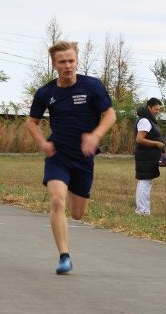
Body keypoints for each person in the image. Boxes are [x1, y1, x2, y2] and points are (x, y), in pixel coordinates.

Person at [26, 41, 116, 275]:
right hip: (58, 155)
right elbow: (31, 122)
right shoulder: (46, 92)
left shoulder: (92, 86)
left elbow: (110, 114)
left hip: (84, 158)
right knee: (57, 201)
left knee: (77, 213)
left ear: (77, 61)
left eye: (71, 61)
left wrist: (95, 136)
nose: (67, 66)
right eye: (62, 62)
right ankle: (64, 256)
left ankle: (67, 244)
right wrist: (42, 143)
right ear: (54, 64)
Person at [134, 98, 165, 215]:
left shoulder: (148, 120)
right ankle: (142, 210)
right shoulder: (145, 121)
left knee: (145, 182)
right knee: (144, 182)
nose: (157, 111)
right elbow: (140, 139)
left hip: (148, 156)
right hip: (145, 156)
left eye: (159, 109)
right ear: (149, 107)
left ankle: (143, 210)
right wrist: (156, 143)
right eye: (156, 109)